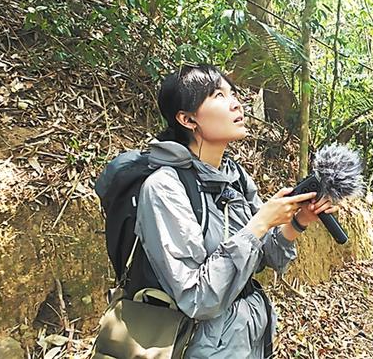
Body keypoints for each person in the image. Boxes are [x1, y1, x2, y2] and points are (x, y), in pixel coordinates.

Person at [133, 64, 338, 358]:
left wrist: (297, 221)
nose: (236, 103)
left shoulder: (235, 176)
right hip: (198, 346)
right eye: (218, 95)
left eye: (233, 93)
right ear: (187, 119)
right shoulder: (165, 189)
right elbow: (197, 297)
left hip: (248, 337)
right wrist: (258, 224)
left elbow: (267, 257)